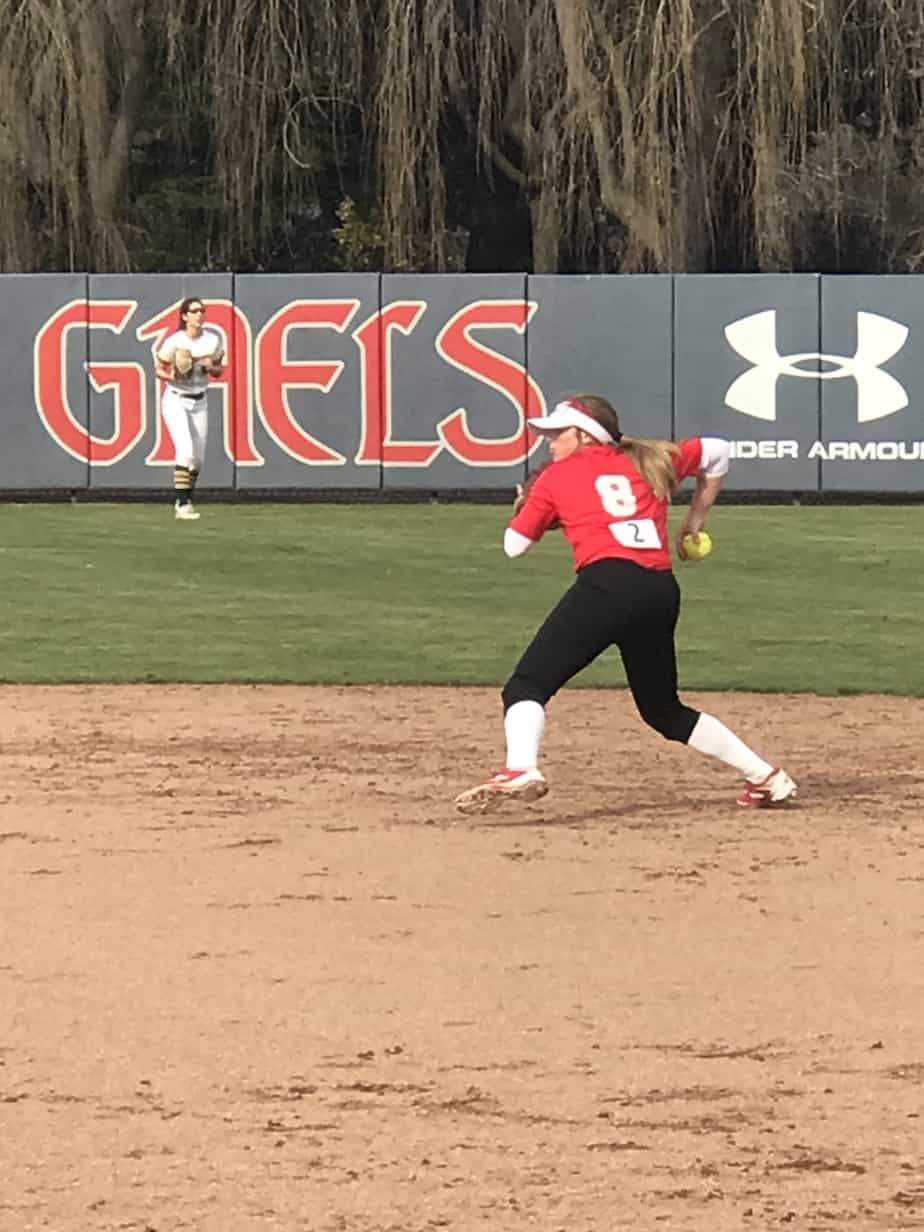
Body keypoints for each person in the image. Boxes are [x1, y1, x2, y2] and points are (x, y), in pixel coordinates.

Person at [454, 394, 797, 815]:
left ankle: (520, 768)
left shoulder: (556, 477)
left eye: (557, 434)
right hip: (658, 590)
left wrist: (533, 506)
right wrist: (694, 522)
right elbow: (718, 451)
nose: (549, 442)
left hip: (607, 586)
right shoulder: (649, 459)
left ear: (582, 435)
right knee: (662, 710)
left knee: (526, 686)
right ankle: (765, 776)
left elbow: (513, 546)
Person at [154, 297, 225, 521]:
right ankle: (182, 505)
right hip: (176, 397)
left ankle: (185, 498)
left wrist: (210, 366)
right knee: (185, 448)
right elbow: (158, 369)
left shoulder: (212, 341)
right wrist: (171, 375)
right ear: (184, 316)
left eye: (202, 310)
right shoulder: (175, 341)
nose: (199, 314)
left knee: (198, 458)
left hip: (199, 399)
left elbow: (219, 371)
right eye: (194, 311)